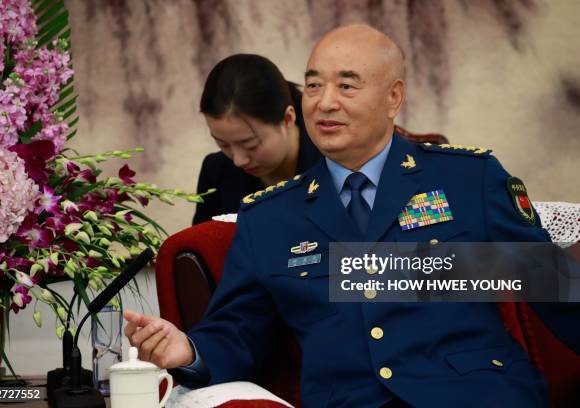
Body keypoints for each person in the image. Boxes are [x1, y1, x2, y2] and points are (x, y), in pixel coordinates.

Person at [125, 25, 580, 407]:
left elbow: (553, 287)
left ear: (393, 97)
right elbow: (238, 331)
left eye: (347, 85)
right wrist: (188, 348)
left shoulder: (469, 179)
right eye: (314, 84)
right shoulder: (269, 217)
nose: (324, 102)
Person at [192, 53, 321, 224]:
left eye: (250, 145)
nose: (238, 160)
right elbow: (201, 248)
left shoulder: (338, 165)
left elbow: (363, 249)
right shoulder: (217, 172)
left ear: (287, 119)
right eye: (222, 144)